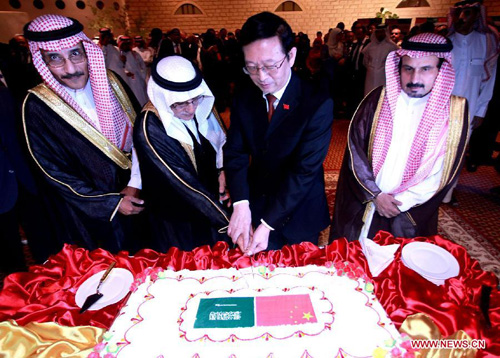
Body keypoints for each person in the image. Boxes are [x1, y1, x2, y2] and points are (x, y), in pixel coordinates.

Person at [22, 14, 145, 253]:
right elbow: (53, 172)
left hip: (137, 200)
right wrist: (110, 203)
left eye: (75, 54)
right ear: (42, 61)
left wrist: (135, 184)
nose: (70, 69)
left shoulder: (112, 81)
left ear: (87, 51)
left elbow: (140, 135)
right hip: (87, 218)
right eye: (55, 59)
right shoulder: (37, 105)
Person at [331, 33, 469, 242]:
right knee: (354, 256)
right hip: (369, 198)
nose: (415, 79)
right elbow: (355, 150)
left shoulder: (454, 112)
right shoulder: (377, 100)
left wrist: (402, 202)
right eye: (408, 69)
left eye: (426, 69)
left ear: (441, 71)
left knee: (399, 263)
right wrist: (376, 195)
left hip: (409, 207)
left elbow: (446, 170)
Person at [224, 12, 333, 255]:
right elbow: (235, 152)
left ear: (291, 56)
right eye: (251, 68)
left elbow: (303, 172)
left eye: (271, 66)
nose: (261, 77)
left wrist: (268, 224)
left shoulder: (316, 102)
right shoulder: (244, 96)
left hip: (300, 211)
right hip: (257, 202)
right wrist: (241, 204)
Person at [133, 56, 230, 252]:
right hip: (178, 223)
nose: (192, 109)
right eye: (180, 103)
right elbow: (184, 184)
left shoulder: (201, 107)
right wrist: (229, 222)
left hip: (209, 209)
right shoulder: (150, 127)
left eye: (195, 99)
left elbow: (221, 142)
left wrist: (223, 170)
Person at [446, 0, 499, 177]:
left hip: (469, 108)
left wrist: (480, 111)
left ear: (477, 15)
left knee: (458, 152)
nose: (462, 18)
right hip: (441, 109)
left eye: (468, 13)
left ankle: (448, 193)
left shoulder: (486, 42)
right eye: (459, 13)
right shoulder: (446, 42)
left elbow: (488, 82)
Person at [362, 24, 398, 95]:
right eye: (378, 32)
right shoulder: (370, 46)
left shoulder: (392, 47)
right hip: (370, 76)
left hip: (384, 77)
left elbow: (395, 64)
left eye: (382, 32)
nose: (380, 34)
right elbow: (365, 62)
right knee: (369, 95)